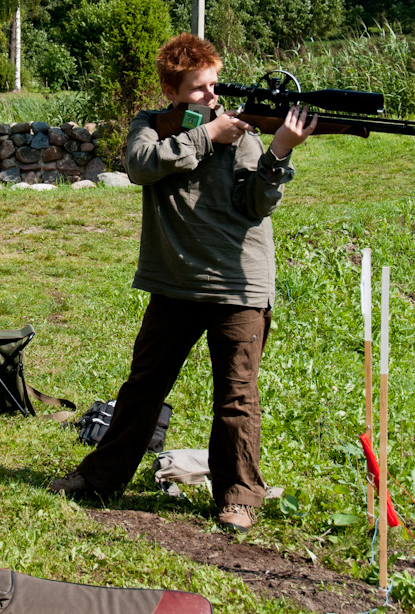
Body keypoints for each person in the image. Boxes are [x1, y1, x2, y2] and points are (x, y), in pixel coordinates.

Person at [48, 33, 317, 533]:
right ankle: (101, 478)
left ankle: (239, 497)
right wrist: (204, 136)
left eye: (216, 85)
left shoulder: (244, 133)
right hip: (174, 284)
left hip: (238, 286)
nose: (212, 97)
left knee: (237, 396)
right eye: (199, 89)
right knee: (143, 388)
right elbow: (139, 166)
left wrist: (279, 149)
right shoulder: (152, 128)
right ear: (172, 91)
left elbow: (257, 204)